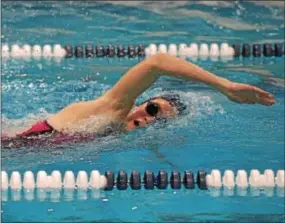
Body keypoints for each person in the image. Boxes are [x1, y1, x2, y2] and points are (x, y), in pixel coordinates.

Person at [2, 53, 276, 147]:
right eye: (153, 108)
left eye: (156, 121)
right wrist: (224, 85)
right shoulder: (110, 110)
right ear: (139, 101)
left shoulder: (107, 135)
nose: (147, 118)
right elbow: (157, 63)